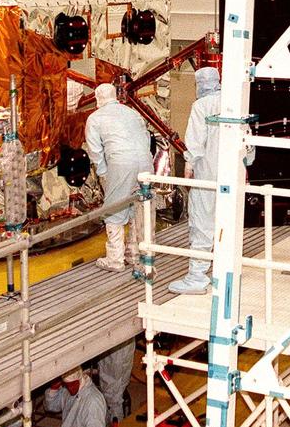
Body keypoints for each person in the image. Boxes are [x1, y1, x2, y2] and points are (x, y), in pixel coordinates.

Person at [169, 67, 252, 294]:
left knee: (202, 223)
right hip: (231, 172)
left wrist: (188, 163)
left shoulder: (201, 106)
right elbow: (248, 138)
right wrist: (246, 165)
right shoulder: (233, 102)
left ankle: (197, 276)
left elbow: (195, 140)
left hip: (207, 174)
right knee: (227, 220)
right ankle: (226, 270)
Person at [85, 83, 152, 272]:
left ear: (97, 98)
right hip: (145, 161)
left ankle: (115, 258)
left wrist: (103, 173)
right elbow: (146, 137)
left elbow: (95, 151)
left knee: (114, 208)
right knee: (137, 205)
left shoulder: (95, 118)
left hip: (121, 163)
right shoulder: (132, 113)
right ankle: (134, 252)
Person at [95, 339, 135, 425]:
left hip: (113, 340)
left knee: (112, 392)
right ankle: (118, 423)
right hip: (127, 336)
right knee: (119, 385)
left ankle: (115, 426)